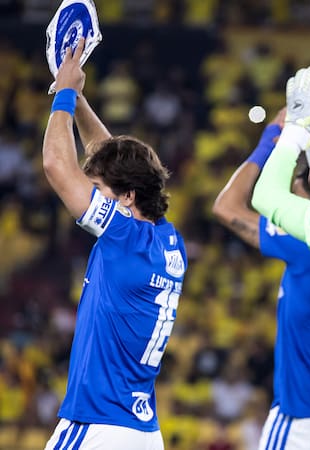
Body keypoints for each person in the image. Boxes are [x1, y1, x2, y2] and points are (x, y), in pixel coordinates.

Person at [42, 39, 185, 449]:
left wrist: (63, 94)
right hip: (142, 432)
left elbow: (56, 165)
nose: (91, 193)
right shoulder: (169, 241)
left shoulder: (123, 236)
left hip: (97, 425)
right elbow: (110, 159)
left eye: (98, 188)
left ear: (127, 198)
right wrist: (80, 99)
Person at [212, 108, 310, 449]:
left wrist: (270, 140)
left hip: (303, 418)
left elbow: (226, 207)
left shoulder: (309, 240)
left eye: (293, 196)